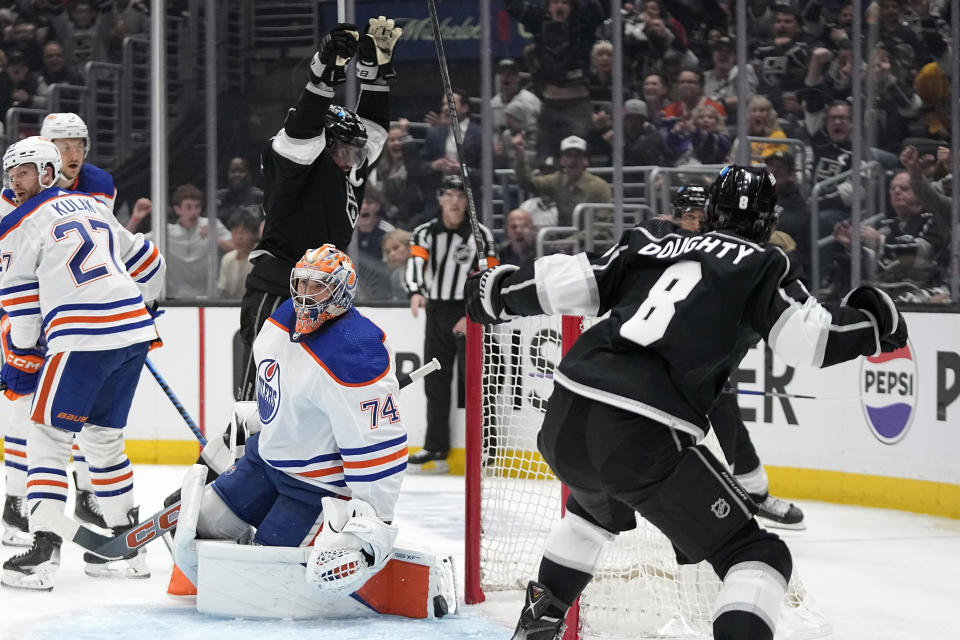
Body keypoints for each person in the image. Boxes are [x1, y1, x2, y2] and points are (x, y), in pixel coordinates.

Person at [465, 165, 908, 640]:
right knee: (758, 555)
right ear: (767, 220)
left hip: (566, 415)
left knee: (590, 515)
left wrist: (495, 292)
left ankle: (536, 630)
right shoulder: (764, 262)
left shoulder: (651, 241)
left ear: (711, 209)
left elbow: (571, 279)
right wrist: (875, 324)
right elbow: (813, 341)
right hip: (643, 431)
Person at [0, 136, 166, 590]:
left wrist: (22, 359)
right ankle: (126, 545)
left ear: (49, 172)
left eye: (27, 171)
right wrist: (145, 306)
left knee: (46, 437)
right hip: (133, 332)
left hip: (80, 337)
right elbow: (150, 261)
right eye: (12, 172)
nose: (17, 180)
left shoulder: (17, 226)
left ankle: (43, 550)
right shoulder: (91, 206)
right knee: (103, 437)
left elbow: (23, 310)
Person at [238, 18, 398, 401]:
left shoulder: (350, 168)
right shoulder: (296, 164)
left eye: (354, 154)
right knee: (258, 396)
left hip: (327, 297)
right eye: (343, 151)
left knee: (308, 394)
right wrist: (323, 77)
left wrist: (373, 75)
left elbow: (372, 132)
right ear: (325, 145)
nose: (351, 161)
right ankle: (238, 457)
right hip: (279, 289)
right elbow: (302, 132)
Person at [671, 183, 805, 529]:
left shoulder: (726, 250)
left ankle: (751, 494)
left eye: (702, 216)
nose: (696, 223)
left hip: (704, 357)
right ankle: (732, 498)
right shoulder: (666, 247)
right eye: (689, 216)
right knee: (717, 408)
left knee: (723, 405)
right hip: (663, 361)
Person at [405, 175, 497, 472]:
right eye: (449, 195)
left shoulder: (481, 236)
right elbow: (416, 264)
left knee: (477, 382)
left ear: (467, 200)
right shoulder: (424, 233)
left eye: (460, 195)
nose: (455, 201)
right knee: (435, 380)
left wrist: (470, 314)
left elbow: (489, 279)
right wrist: (416, 291)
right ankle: (435, 447)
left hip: (469, 312)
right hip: (437, 311)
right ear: (440, 199)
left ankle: (487, 449)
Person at [150, 183, 231, 299]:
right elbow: (127, 245)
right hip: (174, 300)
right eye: (188, 207)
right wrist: (136, 218)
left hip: (211, 299)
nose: (194, 212)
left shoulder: (212, 225)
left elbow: (238, 249)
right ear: (177, 209)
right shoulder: (165, 233)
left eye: (197, 207)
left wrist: (215, 240)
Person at [512, 134, 611, 228]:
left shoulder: (599, 187)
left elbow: (602, 227)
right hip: (561, 240)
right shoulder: (556, 180)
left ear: (585, 161)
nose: (572, 161)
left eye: (577, 156)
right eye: (568, 156)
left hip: (590, 243)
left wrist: (573, 240)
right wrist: (520, 155)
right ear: (561, 161)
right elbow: (528, 183)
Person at [218, 211, 259, 299]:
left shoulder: (260, 259)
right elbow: (223, 293)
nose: (238, 237)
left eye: (243, 232)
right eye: (234, 232)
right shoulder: (227, 259)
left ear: (254, 235)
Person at [215, 157, 263, 226]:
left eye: (241, 171)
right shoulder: (219, 197)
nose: (237, 175)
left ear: (248, 174)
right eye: (233, 171)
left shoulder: (259, 197)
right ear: (228, 174)